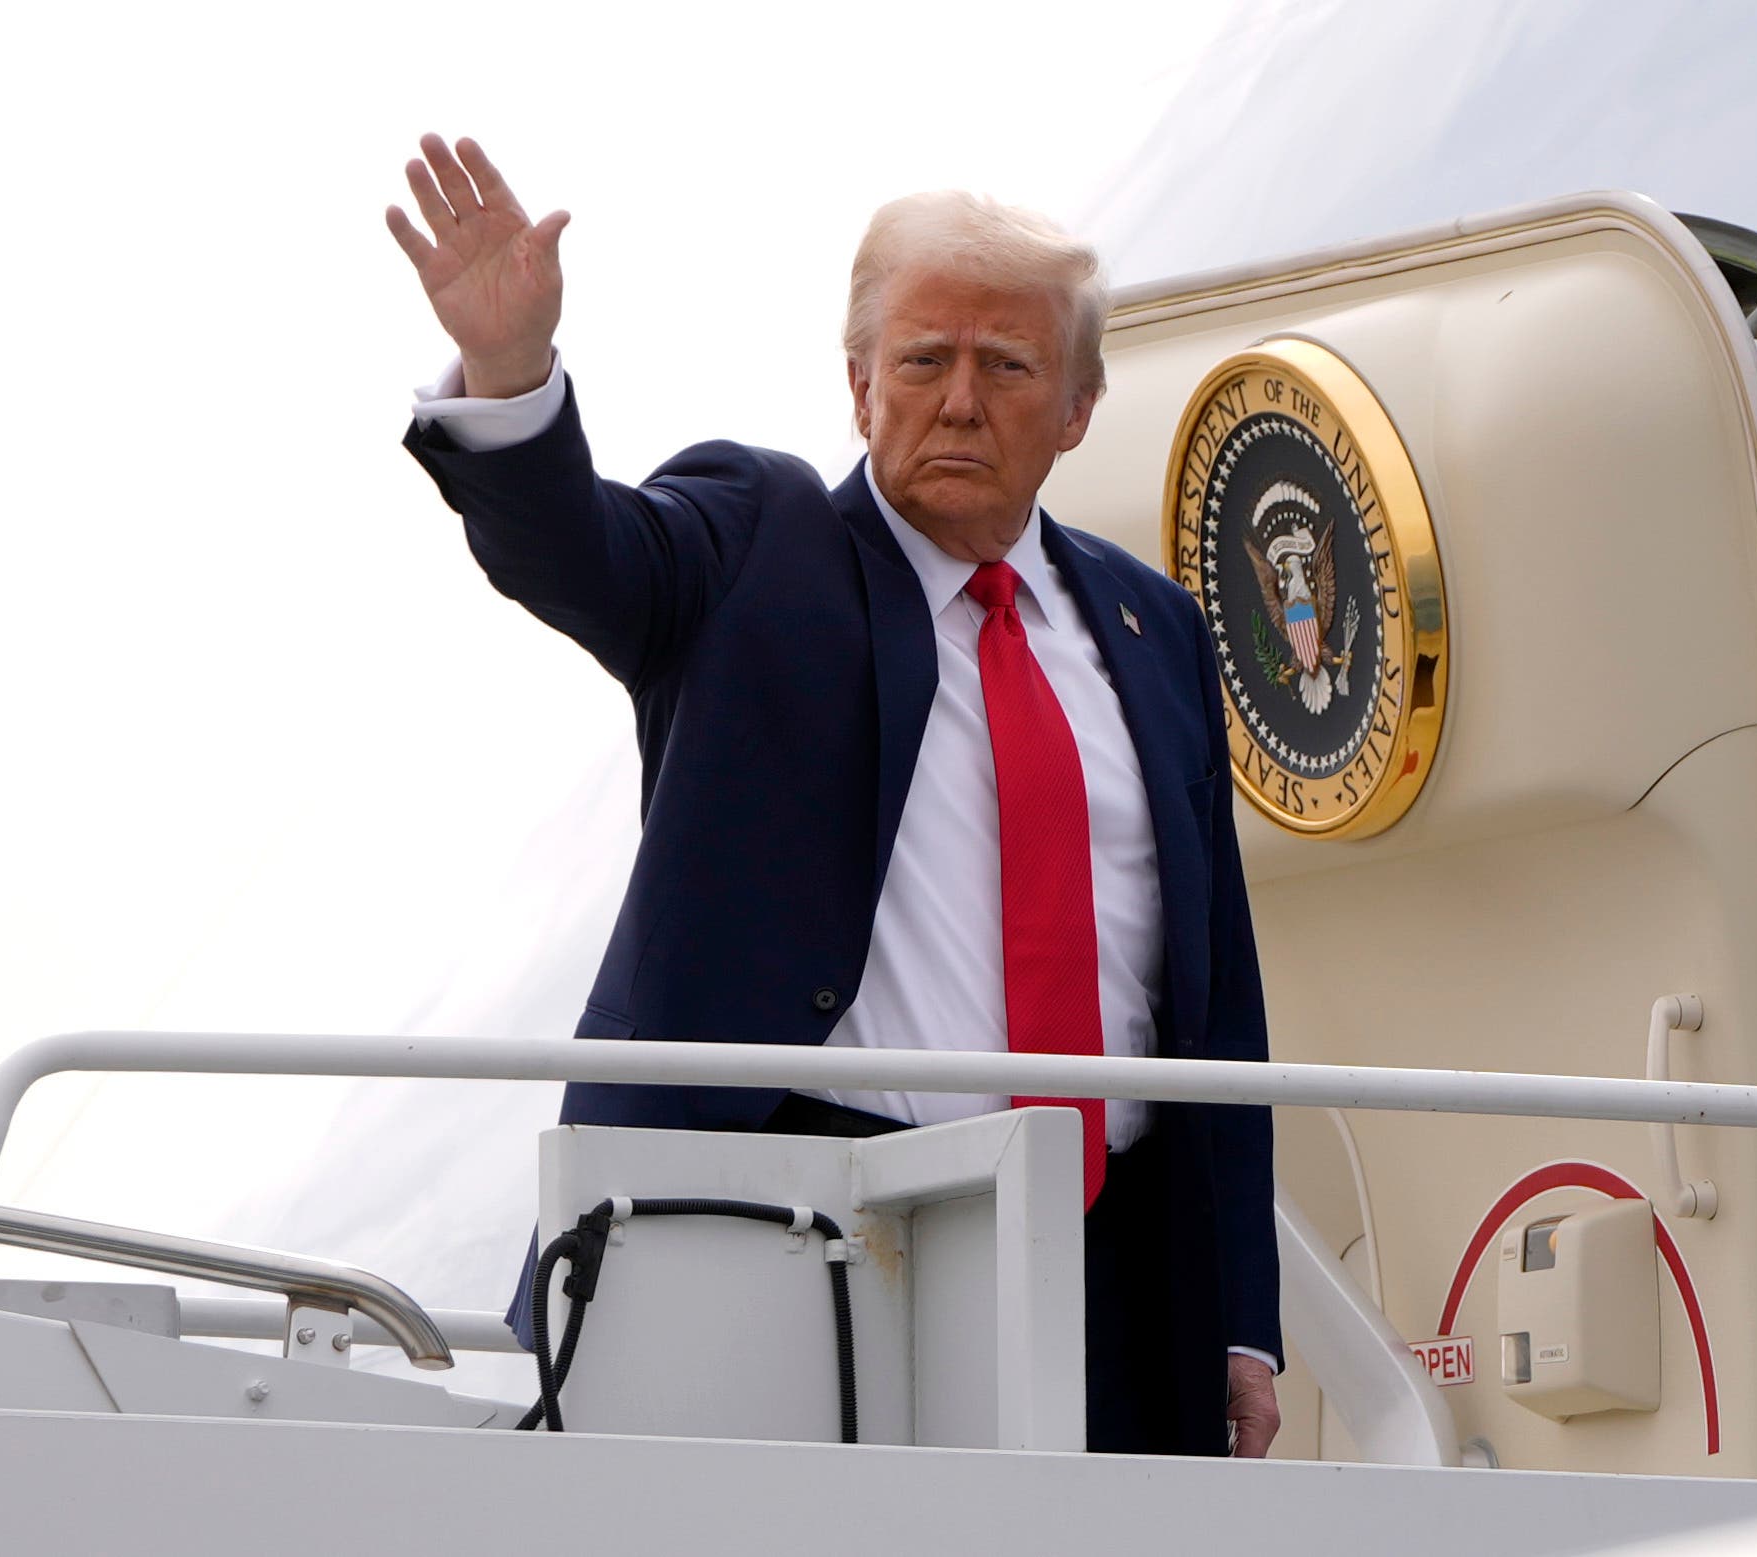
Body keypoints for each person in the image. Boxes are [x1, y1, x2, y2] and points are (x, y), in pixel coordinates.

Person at [388, 133, 1281, 1457]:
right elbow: (579, 550)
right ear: (860, 385)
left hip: (1118, 1266)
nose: (961, 401)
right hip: (801, 1228)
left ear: (1078, 406)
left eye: (1008, 364)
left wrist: (1241, 1317)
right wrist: (513, 371)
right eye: (923, 360)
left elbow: (1213, 1003)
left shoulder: (1155, 630)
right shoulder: (759, 542)